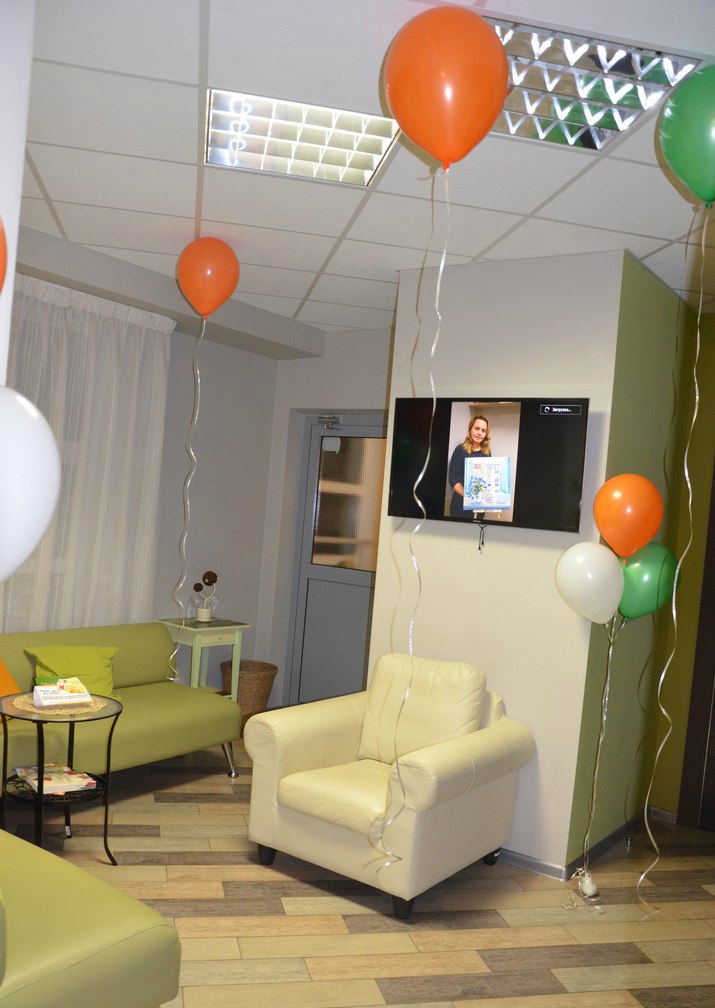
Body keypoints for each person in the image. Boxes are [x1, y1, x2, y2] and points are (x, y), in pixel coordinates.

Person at [448, 414, 491, 517]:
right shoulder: (460, 450)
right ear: (470, 429)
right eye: (477, 428)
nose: (479, 433)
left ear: (486, 434)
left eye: (483, 430)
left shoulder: (487, 453)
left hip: (479, 507)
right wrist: (468, 497)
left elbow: (488, 478)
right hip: (460, 505)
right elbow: (452, 478)